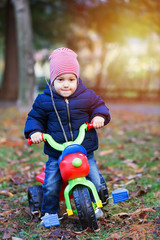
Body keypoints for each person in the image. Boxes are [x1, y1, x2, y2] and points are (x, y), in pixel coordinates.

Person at [24, 47, 111, 223]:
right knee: (51, 183)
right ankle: (50, 213)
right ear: (52, 79)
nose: (66, 84)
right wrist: (35, 132)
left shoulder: (87, 96)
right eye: (60, 79)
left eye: (71, 79)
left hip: (83, 150)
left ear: (77, 79)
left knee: (94, 176)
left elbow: (99, 106)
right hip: (57, 153)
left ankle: (98, 204)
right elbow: (35, 118)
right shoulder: (44, 100)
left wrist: (99, 116)